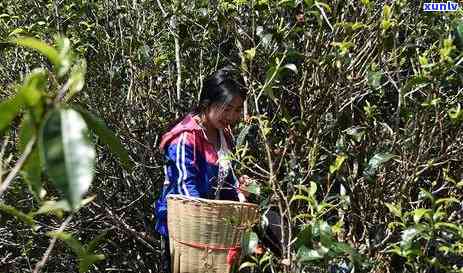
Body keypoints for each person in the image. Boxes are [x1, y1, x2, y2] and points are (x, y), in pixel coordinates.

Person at [154, 67, 252, 273]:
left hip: (216, 234)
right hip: (187, 235)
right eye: (226, 108)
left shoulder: (224, 135)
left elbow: (226, 182)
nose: (232, 116)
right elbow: (186, 191)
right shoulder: (185, 138)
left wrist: (240, 191)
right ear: (207, 103)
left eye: (237, 109)